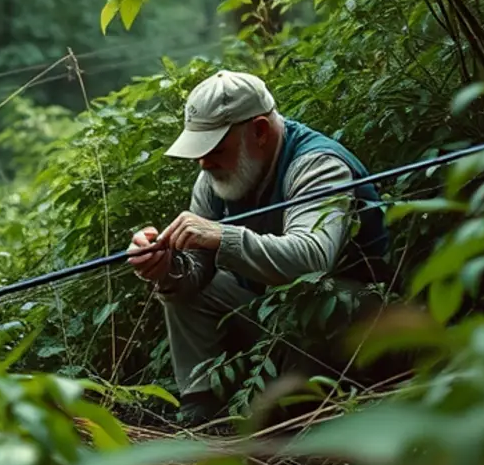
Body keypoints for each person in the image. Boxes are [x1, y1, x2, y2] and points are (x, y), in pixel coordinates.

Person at [126, 70, 391, 425]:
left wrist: (221, 236)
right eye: (199, 151)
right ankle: (200, 416)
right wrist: (168, 268)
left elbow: (312, 261)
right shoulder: (216, 176)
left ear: (260, 131)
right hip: (279, 315)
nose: (204, 163)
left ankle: (305, 413)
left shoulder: (318, 165)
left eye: (216, 148)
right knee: (185, 292)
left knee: (323, 294)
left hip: (356, 323)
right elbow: (197, 270)